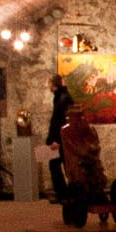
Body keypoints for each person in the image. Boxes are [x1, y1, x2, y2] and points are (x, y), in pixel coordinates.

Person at [46, 73, 74, 202]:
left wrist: (56, 140)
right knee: (60, 165)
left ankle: (63, 194)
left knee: (56, 165)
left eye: (49, 83)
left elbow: (60, 121)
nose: (48, 86)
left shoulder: (62, 98)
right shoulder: (61, 97)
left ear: (54, 84)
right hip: (61, 138)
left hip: (61, 140)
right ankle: (65, 193)